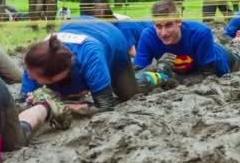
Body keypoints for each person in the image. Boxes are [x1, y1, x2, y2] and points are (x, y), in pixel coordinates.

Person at [21, 16, 170, 114]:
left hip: (111, 40)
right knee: (66, 91)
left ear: (57, 74)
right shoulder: (36, 63)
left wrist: (63, 107)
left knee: (129, 93)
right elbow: (22, 101)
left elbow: (105, 105)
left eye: (37, 78)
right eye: (30, 74)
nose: (30, 78)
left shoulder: (91, 56)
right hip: (77, 27)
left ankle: (161, 73)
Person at [135, 0, 240, 77]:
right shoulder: (148, 36)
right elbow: (137, 71)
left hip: (217, 61)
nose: (163, 33)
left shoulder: (200, 32)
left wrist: (171, 77)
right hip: (186, 69)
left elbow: (207, 75)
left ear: (179, 21)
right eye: (158, 26)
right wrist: (156, 68)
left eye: (168, 25)